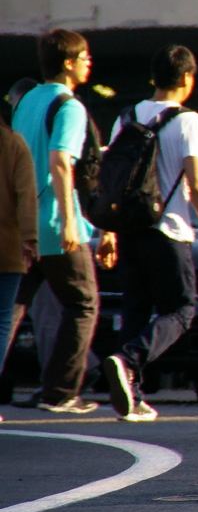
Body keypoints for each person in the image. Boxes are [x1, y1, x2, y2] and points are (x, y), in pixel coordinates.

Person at [102, 46, 198, 422]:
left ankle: (132, 396)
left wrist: (108, 232)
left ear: (153, 78)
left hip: (129, 229)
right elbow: (197, 181)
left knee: (136, 310)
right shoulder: (189, 121)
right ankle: (127, 362)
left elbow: (110, 183)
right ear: (188, 78)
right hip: (168, 230)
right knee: (182, 309)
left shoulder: (126, 117)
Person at [6, 30, 106, 414]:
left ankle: (57, 391)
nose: (88, 63)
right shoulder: (70, 106)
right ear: (68, 62)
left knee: (10, 310)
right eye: (84, 57)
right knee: (83, 304)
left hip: (19, 224)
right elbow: (61, 162)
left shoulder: (27, 100)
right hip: (53, 224)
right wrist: (68, 221)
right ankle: (61, 392)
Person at [0, 89, 38, 417]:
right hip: (6, 248)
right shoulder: (13, 143)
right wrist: (31, 239)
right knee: (1, 321)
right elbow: (26, 195)